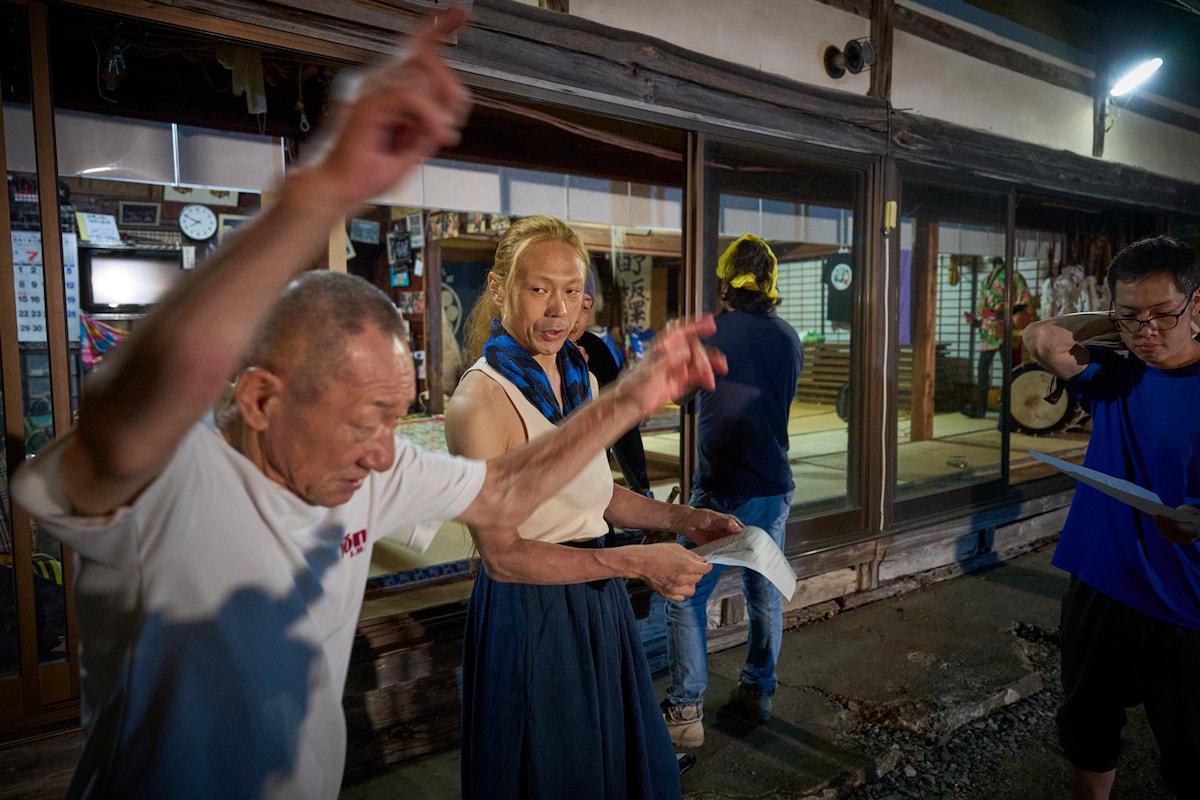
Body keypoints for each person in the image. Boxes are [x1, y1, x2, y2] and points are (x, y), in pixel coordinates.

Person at [10, 13, 730, 800]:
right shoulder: (174, 484)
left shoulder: (371, 471)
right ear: (258, 397)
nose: (387, 449)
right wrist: (322, 190)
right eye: (365, 420)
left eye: (395, 417)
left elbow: (510, 490)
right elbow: (135, 404)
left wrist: (630, 400)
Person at [445, 214, 742, 799]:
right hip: (531, 613)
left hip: (595, 601)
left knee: (614, 765)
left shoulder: (575, 373)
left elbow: (594, 493)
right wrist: (635, 562)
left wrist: (684, 520)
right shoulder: (479, 400)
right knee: (556, 771)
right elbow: (502, 557)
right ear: (499, 287)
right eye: (539, 289)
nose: (558, 309)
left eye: (572, 290)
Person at [1022, 235, 1200, 800]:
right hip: (1099, 583)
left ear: (1199, 305)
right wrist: (1124, 320)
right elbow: (1041, 339)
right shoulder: (1116, 373)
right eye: (1133, 316)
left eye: (1164, 315)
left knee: (1191, 756)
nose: (1148, 331)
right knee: (1086, 733)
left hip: (1184, 604)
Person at [659, 234, 803, 747]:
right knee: (763, 594)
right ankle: (758, 692)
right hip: (771, 487)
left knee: (684, 596)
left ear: (724, 281)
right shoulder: (788, 338)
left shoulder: (712, 334)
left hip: (718, 491)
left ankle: (686, 707)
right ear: (770, 283)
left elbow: (678, 395)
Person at [569, 270, 654, 498]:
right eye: (569, 299)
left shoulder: (595, 349)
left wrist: (641, 489)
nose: (575, 317)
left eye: (585, 306)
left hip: (595, 496)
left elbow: (621, 422)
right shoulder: (516, 362)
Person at [966, 257, 1031, 418]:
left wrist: (1007, 312)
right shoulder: (986, 279)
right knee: (982, 369)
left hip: (1006, 326)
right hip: (988, 329)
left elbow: (1024, 301)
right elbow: (982, 304)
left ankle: (1008, 410)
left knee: (1009, 370)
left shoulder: (1014, 276)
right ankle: (981, 408)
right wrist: (977, 321)